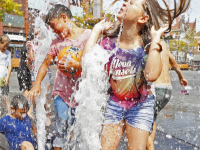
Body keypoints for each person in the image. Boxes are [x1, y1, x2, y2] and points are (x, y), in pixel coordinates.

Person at [81, 0, 191, 149]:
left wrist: (155, 40)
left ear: (143, 18)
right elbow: (86, 63)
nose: (124, 3)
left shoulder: (147, 45)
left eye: (131, 2)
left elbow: (151, 75)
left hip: (141, 106)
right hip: (115, 104)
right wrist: (95, 31)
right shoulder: (109, 42)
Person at [28, 4, 91, 150]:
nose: (53, 30)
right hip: (61, 93)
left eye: (53, 25)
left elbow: (95, 62)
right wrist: (37, 83)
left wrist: (78, 65)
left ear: (64, 18)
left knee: (77, 129)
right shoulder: (57, 43)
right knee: (62, 125)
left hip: (81, 93)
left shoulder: (87, 36)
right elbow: (45, 64)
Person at [146, 50, 188, 150]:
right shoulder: (163, 44)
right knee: (152, 117)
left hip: (156, 88)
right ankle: (149, 144)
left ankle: (149, 146)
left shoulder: (149, 43)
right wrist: (181, 77)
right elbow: (174, 64)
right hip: (167, 89)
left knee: (143, 120)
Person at [0, 34, 12, 114]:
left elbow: (10, 67)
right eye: (4, 46)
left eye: (7, 46)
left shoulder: (8, 53)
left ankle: (9, 113)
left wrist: (7, 78)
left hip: (3, 78)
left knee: (6, 96)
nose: (5, 48)